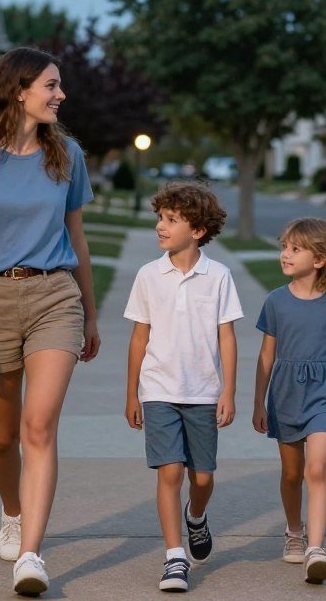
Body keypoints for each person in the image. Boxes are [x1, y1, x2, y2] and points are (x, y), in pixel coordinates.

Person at [0, 47, 101, 597]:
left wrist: (90, 314)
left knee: (39, 427)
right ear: (18, 89)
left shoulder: (67, 155)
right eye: (51, 86)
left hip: (55, 294)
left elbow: (78, 242)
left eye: (60, 86)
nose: (61, 95)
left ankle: (31, 554)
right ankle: (12, 510)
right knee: (4, 437)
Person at [124, 182, 243, 593]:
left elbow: (227, 337)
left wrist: (228, 391)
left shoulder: (219, 276)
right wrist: (132, 393)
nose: (160, 226)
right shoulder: (147, 275)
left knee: (203, 477)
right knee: (169, 471)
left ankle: (196, 516)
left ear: (197, 230)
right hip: (158, 389)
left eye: (171, 220)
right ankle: (175, 558)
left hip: (203, 392)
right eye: (160, 217)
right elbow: (139, 338)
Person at [252, 217, 326, 584]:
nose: (285, 254)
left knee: (317, 468)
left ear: (320, 259)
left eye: (295, 249)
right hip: (286, 393)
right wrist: (258, 403)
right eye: (284, 247)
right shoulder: (276, 301)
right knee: (293, 473)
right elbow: (266, 357)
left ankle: (316, 547)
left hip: (325, 392)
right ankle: (294, 531)